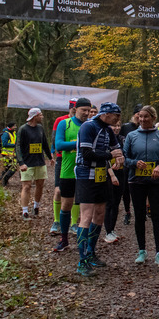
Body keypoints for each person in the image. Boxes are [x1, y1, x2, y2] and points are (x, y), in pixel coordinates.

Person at [74, 102, 125, 276]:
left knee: (100, 213)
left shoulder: (108, 130)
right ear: (106, 114)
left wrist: (120, 157)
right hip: (85, 173)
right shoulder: (88, 127)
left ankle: (91, 252)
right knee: (86, 216)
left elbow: (117, 148)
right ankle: (82, 260)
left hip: (101, 174)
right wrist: (110, 155)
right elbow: (87, 154)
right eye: (116, 115)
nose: (118, 119)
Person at [123, 105, 159, 267]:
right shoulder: (131, 136)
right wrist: (134, 163)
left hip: (155, 181)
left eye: (146, 117)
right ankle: (141, 251)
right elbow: (124, 158)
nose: (143, 119)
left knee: (157, 215)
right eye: (140, 116)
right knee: (139, 215)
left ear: (153, 118)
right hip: (136, 181)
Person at [52, 98, 91, 252]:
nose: (86, 113)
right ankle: (64, 239)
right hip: (68, 171)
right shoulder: (65, 124)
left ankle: (85, 242)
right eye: (84, 110)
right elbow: (59, 145)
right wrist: (81, 144)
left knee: (86, 207)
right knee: (66, 205)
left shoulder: (91, 125)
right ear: (76, 109)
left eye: (89, 110)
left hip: (87, 172)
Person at [15, 108, 53, 220]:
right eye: (40, 115)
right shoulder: (23, 129)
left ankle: (36, 206)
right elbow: (18, 147)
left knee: (40, 185)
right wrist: (21, 163)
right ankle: (25, 211)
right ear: (35, 116)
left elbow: (44, 143)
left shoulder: (40, 128)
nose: (42, 117)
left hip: (39, 161)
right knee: (26, 186)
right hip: (27, 163)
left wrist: (50, 157)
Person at [50, 99, 77, 234]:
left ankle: (74, 223)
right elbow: (55, 138)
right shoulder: (61, 120)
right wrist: (52, 151)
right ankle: (56, 221)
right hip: (62, 159)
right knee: (58, 191)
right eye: (73, 108)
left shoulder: (85, 123)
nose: (74, 111)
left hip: (78, 160)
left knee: (76, 193)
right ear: (70, 108)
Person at [117, 105, 144, 225]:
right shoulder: (126, 127)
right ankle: (127, 211)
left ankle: (141, 210)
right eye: (138, 114)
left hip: (141, 163)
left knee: (141, 188)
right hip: (127, 162)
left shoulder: (146, 128)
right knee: (126, 189)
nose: (140, 116)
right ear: (134, 114)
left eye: (143, 114)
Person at [103, 118, 128, 244]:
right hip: (108, 174)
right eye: (114, 126)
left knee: (117, 202)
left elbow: (127, 154)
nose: (117, 128)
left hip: (121, 173)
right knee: (109, 202)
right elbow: (103, 158)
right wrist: (111, 174)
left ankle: (112, 229)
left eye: (118, 126)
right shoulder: (104, 139)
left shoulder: (123, 139)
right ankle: (107, 231)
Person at [0, 122, 17, 186]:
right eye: (14, 126)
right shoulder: (6, 134)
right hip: (6, 154)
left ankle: (1, 181)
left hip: (12, 154)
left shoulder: (14, 133)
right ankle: (4, 180)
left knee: (7, 168)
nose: (15, 127)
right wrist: (14, 145)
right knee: (13, 168)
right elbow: (4, 144)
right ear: (11, 127)